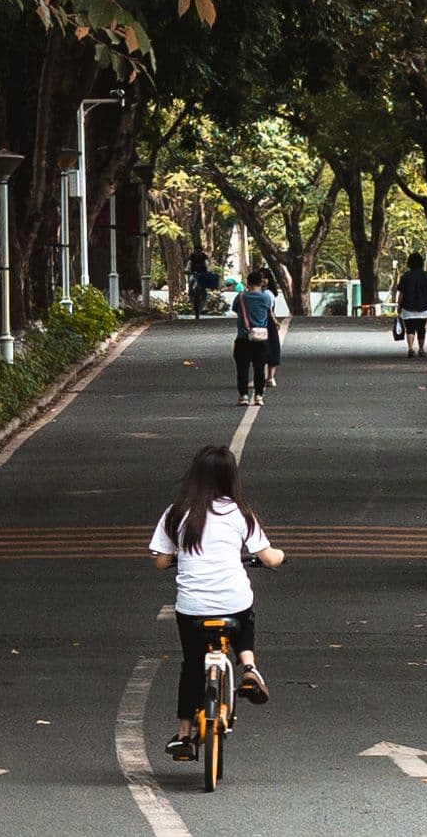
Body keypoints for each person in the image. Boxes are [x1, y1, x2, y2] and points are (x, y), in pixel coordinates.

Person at [149, 444, 285, 760]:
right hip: (233, 601)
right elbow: (269, 557)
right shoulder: (240, 513)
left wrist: (175, 559)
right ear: (230, 478)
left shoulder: (176, 512)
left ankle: (184, 735)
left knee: (192, 666)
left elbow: (160, 560)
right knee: (243, 610)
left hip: (192, 608)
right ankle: (249, 666)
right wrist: (280, 557)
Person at [231, 268, 275, 405]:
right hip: (261, 338)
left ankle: (243, 395)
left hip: (243, 337)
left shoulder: (241, 297)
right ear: (261, 282)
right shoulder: (266, 297)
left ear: (247, 282)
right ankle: (258, 396)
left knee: (242, 368)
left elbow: (235, 310)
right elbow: (269, 310)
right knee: (259, 368)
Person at [396, 252, 427, 357]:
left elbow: (401, 293)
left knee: (410, 328)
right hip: (423, 307)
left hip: (408, 307)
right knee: (421, 328)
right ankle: (421, 349)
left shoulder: (405, 276)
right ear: (421, 263)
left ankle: (411, 348)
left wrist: (399, 306)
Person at [260, 267, 282, 388]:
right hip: (265, 323)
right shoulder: (262, 292)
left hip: (265, 324)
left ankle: (270, 377)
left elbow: (269, 310)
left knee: (269, 349)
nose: (262, 280)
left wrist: (275, 321)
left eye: (264, 277)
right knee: (267, 349)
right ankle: (268, 377)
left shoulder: (267, 293)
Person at [187, 246, 210, 320]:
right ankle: (190, 300)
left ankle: (204, 305)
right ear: (194, 251)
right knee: (190, 284)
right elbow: (189, 264)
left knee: (204, 289)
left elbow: (207, 264)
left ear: (201, 251)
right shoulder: (192, 256)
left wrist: (208, 270)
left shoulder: (204, 256)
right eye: (196, 251)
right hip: (194, 274)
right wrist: (188, 269)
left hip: (202, 274)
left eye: (199, 251)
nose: (198, 253)